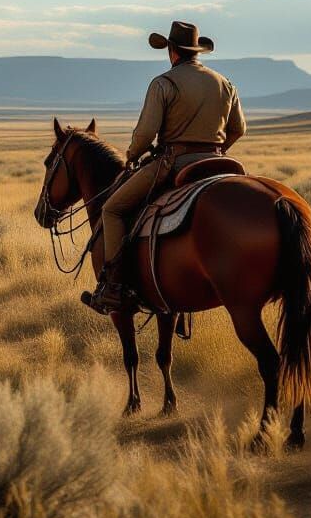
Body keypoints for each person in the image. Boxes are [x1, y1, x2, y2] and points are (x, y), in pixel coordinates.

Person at [84, 20, 247, 314]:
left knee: (113, 209)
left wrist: (133, 155)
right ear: (196, 52)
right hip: (217, 162)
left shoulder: (164, 83)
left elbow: (146, 134)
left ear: (172, 51)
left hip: (172, 163)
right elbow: (239, 128)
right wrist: (217, 150)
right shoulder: (225, 84)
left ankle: (114, 287)